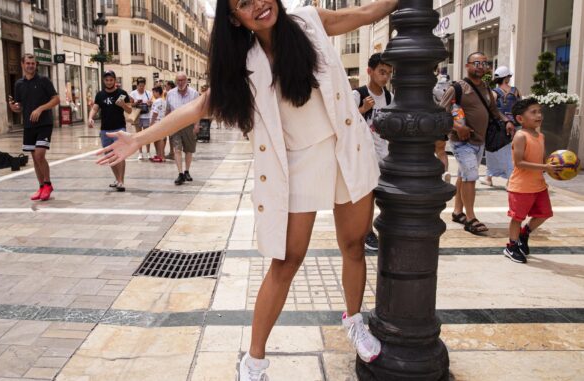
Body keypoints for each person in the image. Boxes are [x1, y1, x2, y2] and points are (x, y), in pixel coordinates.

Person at [96, 1, 396, 379]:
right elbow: (196, 109)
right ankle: (254, 362)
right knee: (286, 262)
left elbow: (367, 14)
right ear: (234, 18)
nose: (258, 6)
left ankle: (353, 320)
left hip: (345, 149)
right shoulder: (243, 67)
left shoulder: (308, 21)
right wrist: (138, 139)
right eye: (244, 4)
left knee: (353, 245)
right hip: (296, 167)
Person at [439, 52, 516, 235]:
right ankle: (471, 218)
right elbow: (440, 113)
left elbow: (494, 111)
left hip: (479, 140)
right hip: (461, 142)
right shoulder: (457, 88)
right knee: (471, 176)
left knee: (464, 175)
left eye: (484, 63)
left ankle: (458, 212)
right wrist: (458, 127)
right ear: (468, 66)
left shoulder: (487, 89)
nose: (480, 66)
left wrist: (506, 120)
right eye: (476, 63)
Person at [503, 98, 561, 263]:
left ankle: (524, 233)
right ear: (520, 119)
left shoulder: (540, 136)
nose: (538, 115)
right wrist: (545, 166)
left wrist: (555, 165)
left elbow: (543, 160)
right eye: (533, 112)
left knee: (544, 214)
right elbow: (519, 162)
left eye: (539, 111)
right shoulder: (520, 136)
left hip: (538, 185)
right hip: (521, 186)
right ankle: (511, 246)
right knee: (517, 218)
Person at [353, 52, 392, 251]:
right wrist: (362, 109)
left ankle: (372, 229)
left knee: (379, 195)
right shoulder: (359, 94)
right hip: (364, 155)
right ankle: (367, 231)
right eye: (381, 72)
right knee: (367, 196)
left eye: (388, 73)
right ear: (370, 71)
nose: (385, 77)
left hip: (384, 153)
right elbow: (346, 123)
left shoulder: (389, 96)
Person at [9, 54, 60, 201]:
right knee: (34, 158)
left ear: (36, 65)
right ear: (22, 64)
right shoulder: (19, 84)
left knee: (39, 155)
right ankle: (41, 186)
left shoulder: (44, 81)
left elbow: (56, 99)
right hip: (29, 125)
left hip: (44, 123)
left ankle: (48, 184)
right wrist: (13, 107)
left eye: (33, 63)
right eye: (28, 63)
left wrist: (40, 109)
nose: (31, 66)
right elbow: (19, 106)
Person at [88, 70, 132, 191]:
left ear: (115, 80)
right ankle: (117, 179)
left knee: (120, 155)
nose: (109, 82)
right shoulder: (100, 95)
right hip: (105, 130)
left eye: (111, 80)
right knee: (109, 156)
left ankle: (121, 181)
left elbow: (129, 111)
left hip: (119, 129)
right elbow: (95, 108)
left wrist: (123, 104)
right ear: (104, 80)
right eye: (106, 80)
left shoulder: (122, 93)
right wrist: (90, 117)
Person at [483, 66, 521, 187]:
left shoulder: (494, 92)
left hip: (498, 127)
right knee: (512, 153)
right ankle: (510, 180)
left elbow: (489, 108)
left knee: (493, 151)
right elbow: (521, 107)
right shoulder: (516, 91)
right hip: (515, 126)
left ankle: (489, 178)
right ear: (507, 78)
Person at [165, 72, 200, 185]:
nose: (180, 83)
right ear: (176, 81)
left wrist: (196, 125)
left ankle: (187, 171)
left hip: (189, 125)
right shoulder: (170, 93)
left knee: (189, 150)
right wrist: (166, 125)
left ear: (186, 81)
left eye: (182, 80)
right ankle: (180, 174)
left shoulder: (194, 93)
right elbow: (168, 110)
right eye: (178, 80)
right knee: (177, 149)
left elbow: (198, 111)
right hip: (175, 125)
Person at [129, 77, 153, 160]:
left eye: (143, 86)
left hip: (147, 116)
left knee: (147, 135)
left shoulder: (149, 93)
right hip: (137, 116)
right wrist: (136, 103)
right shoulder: (133, 93)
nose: (141, 88)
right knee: (138, 135)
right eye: (140, 86)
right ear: (137, 85)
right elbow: (130, 105)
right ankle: (140, 153)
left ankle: (148, 152)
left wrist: (149, 103)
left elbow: (151, 104)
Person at [149, 86, 167, 162]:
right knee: (160, 138)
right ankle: (160, 155)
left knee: (160, 139)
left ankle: (161, 156)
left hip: (156, 122)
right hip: (162, 121)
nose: (153, 94)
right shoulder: (163, 101)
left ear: (157, 92)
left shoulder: (157, 101)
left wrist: (151, 123)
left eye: (153, 92)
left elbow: (155, 113)